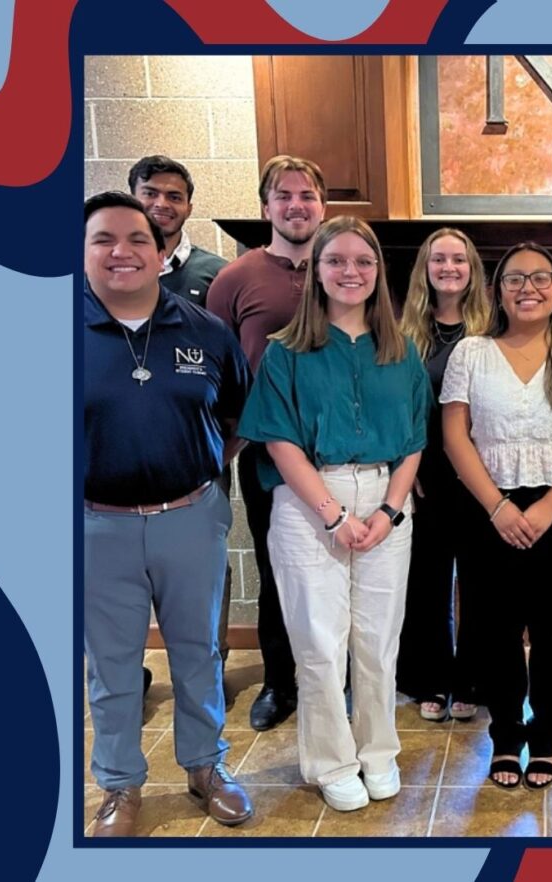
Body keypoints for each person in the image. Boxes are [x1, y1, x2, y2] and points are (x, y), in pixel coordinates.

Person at [237, 215, 429, 812]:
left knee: (377, 638)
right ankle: (331, 760)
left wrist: (390, 511)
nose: (351, 272)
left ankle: (377, 751)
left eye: (363, 262)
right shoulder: (285, 352)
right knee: (320, 639)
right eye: (337, 260)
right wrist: (332, 515)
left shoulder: (403, 352)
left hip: (384, 499)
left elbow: (415, 436)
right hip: (307, 503)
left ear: (379, 273)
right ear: (317, 271)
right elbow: (278, 440)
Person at [82, 191, 253, 835]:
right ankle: (121, 787)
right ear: (85, 252)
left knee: (198, 651)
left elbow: (237, 416)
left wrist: (204, 471)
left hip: (190, 517)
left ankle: (206, 766)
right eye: (104, 240)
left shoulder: (205, 331)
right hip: (98, 525)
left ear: (160, 253)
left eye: (137, 240)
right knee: (112, 664)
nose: (121, 252)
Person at [442, 243, 552, 789]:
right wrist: (498, 506)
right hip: (486, 505)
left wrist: (551, 505)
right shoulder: (472, 353)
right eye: (515, 279)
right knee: (495, 629)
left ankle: (546, 736)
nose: (529, 288)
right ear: (496, 290)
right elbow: (455, 434)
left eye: (541, 278)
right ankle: (506, 735)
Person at [206, 155, 327, 731]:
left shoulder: (347, 266)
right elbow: (216, 368)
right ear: (266, 207)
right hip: (266, 453)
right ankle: (281, 681)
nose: (296, 205)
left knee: (343, 562)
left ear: (323, 205)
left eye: (307, 194)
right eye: (284, 195)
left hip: (342, 449)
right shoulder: (238, 278)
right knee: (280, 566)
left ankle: (340, 678)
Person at [394, 228, 491, 722]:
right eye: (439, 259)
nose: (449, 267)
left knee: (479, 581)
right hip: (424, 470)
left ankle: (472, 678)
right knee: (426, 581)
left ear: (472, 268)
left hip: (482, 473)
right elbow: (394, 404)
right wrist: (403, 470)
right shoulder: (404, 332)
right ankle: (428, 677)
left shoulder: (493, 326)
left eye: (459, 258)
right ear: (425, 269)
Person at [129, 155, 228, 307]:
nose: (161, 204)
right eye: (150, 194)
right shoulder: (105, 267)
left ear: (188, 209)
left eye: (174, 197)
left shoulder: (219, 273)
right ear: (131, 202)